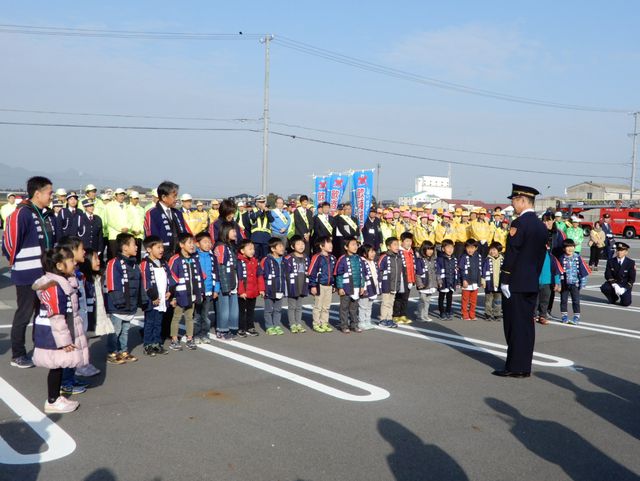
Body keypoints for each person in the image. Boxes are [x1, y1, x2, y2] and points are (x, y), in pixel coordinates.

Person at [495, 184, 548, 378]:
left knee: (514, 325)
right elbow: (541, 257)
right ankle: (524, 365)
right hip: (531, 282)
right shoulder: (541, 226)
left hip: (515, 283)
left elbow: (512, 253)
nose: (513, 204)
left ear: (523, 201)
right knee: (526, 325)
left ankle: (515, 366)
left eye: (514, 201)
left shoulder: (519, 224)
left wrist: (505, 278)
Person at [2, 176, 56, 368]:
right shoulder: (22, 214)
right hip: (27, 273)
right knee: (24, 314)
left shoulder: (47, 215)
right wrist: (16, 264)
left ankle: (40, 348)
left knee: (43, 313)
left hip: (45, 274)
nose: (52, 196)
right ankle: (18, 354)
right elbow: (9, 244)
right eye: (49, 192)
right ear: (37, 193)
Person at [32, 247, 89, 413]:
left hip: (57, 332)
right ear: (59, 266)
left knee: (58, 366)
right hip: (54, 334)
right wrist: (65, 341)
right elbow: (56, 316)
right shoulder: (55, 286)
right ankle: (52, 400)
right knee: (56, 366)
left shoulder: (61, 282)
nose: (74, 263)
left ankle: (55, 397)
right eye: (70, 261)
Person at [105, 232, 146, 364]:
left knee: (125, 330)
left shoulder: (134, 264)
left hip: (130, 304)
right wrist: (118, 301)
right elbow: (112, 284)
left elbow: (140, 284)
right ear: (124, 247)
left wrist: (142, 300)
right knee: (115, 331)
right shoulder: (114, 263)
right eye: (134, 244)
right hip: (118, 305)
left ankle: (123, 351)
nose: (137, 247)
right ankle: (112, 353)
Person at [168, 233, 204, 351]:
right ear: (181, 245)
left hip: (192, 294)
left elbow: (199, 275)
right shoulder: (175, 259)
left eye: (193, 243)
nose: (192, 245)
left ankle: (189, 338)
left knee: (189, 317)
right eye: (189, 243)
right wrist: (172, 297)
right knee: (177, 317)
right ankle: (174, 339)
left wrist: (200, 292)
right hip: (180, 295)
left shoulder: (195, 259)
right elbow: (171, 278)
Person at [140, 236, 172, 356]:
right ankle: (148, 344)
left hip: (163, 298)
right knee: (150, 322)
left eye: (162, 247)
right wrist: (153, 297)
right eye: (158, 247)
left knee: (158, 322)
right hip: (151, 299)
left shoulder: (163, 262)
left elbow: (170, 277)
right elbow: (145, 282)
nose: (161, 250)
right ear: (149, 249)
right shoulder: (145, 263)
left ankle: (156, 343)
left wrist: (170, 291)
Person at [144, 181, 191, 261]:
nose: (176, 199)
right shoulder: (152, 213)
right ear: (164, 197)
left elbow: (185, 233)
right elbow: (151, 237)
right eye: (174, 196)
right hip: (162, 257)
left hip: (179, 257)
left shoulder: (178, 213)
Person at [213, 222, 240, 339]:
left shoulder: (231, 246)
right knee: (224, 309)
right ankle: (222, 330)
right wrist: (225, 286)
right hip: (226, 282)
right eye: (233, 231)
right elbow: (221, 268)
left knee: (233, 308)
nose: (236, 233)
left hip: (233, 280)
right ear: (225, 232)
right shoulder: (221, 247)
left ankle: (231, 328)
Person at [556, 238, 590, 325]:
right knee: (563, 300)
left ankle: (576, 316)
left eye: (571, 246)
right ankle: (564, 315)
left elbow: (583, 271)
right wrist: (558, 283)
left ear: (574, 247)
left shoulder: (578, 258)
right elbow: (558, 272)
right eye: (567, 247)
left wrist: (582, 283)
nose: (570, 248)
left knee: (576, 300)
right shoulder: (561, 258)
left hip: (575, 283)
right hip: (564, 283)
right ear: (564, 249)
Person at [335, 236, 365, 333]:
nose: (355, 247)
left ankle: (354, 325)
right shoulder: (342, 259)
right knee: (344, 307)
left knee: (354, 308)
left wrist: (362, 286)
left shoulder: (359, 259)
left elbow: (362, 274)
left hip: (356, 287)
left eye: (356, 244)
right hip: (346, 287)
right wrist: (340, 287)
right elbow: (339, 274)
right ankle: (344, 325)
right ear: (346, 247)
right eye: (352, 245)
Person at [308, 236, 336, 333]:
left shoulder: (333, 258)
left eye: (331, 243)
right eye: (328, 243)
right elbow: (311, 272)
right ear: (321, 246)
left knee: (326, 306)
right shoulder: (317, 257)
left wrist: (333, 284)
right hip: (319, 285)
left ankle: (324, 323)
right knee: (318, 306)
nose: (331, 245)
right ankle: (316, 323)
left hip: (329, 285)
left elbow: (333, 273)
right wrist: (312, 285)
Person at [194, 232, 218, 342]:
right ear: (197, 244)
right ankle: (196, 335)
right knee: (197, 315)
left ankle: (204, 334)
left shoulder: (213, 257)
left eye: (210, 242)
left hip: (209, 290)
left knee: (205, 315)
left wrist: (216, 289)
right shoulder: (194, 257)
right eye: (205, 242)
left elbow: (216, 274)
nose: (208, 244)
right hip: (198, 291)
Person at [261, 237, 287, 335]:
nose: (282, 248)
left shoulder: (284, 260)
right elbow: (261, 275)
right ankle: (269, 326)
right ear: (273, 249)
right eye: (279, 246)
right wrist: (262, 289)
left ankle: (277, 325)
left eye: (282, 246)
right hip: (269, 289)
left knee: (278, 309)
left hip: (280, 289)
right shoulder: (266, 260)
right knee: (268, 310)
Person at [236, 239, 263, 337]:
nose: (252, 251)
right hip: (244, 292)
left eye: (253, 249)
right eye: (250, 249)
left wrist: (261, 289)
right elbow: (240, 278)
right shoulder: (240, 262)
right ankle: (241, 328)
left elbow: (259, 275)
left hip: (253, 291)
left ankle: (250, 326)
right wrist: (241, 291)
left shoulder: (255, 261)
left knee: (251, 310)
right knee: (242, 311)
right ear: (242, 251)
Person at [284, 235, 309, 333]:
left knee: (299, 306)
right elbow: (286, 273)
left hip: (302, 285)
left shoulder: (306, 257)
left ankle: (298, 323)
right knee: (292, 306)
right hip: (292, 286)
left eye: (302, 244)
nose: (301, 246)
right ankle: (292, 324)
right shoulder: (288, 258)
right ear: (292, 246)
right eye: (298, 244)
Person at [600, 241, 636, 307]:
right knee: (604, 287)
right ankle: (613, 298)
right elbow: (607, 274)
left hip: (624, 285)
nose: (619, 252)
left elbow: (632, 279)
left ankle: (623, 297)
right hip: (615, 283)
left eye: (622, 250)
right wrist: (614, 285)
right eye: (618, 250)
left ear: (626, 252)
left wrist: (624, 289)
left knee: (626, 303)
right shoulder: (610, 261)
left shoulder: (631, 263)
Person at [377, 237, 402, 328]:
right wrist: (380, 283)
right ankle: (383, 319)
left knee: (391, 302)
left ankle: (389, 318)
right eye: (394, 245)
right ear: (388, 246)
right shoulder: (384, 257)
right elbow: (379, 270)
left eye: (398, 244)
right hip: (386, 284)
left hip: (395, 284)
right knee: (385, 302)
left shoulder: (398, 257)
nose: (397, 247)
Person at [393, 232, 416, 324]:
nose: (409, 243)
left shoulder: (411, 251)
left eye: (410, 241)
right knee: (398, 298)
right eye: (406, 241)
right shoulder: (399, 252)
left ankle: (403, 314)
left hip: (410, 278)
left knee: (405, 298)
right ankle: (395, 315)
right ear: (401, 242)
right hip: (402, 279)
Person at [458, 238, 482, 321]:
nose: (470, 250)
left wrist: (480, 281)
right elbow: (461, 269)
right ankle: (465, 314)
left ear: (476, 248)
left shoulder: (478, 256)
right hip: (466, 282)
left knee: (473, 300)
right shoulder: (464, 257)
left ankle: (472, 314)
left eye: (472, 248)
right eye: (468, 248)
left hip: (475, 281)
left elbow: (480, 270)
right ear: (465, 248)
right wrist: (463, 280)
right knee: (465, 300)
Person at [105, 188, 132, 259]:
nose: (122, 197)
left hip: (125, 235)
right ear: (115, 196)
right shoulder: (110, 205)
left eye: (123, 195)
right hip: (114, 236)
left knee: (124, 256)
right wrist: (120, 229)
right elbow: (110, 220)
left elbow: (130, 218)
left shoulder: (126, 205)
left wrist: (128, 227)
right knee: (114, 256)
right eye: (120, 195)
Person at [358, 243, 380, 330]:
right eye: (371, 252)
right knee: (363, 306)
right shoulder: (362, 262)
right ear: (364, 253)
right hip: (365, 287)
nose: (373, 253)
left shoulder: (373, 262)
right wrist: (362, 286)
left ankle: (367, 321)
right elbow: (361, 275)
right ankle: (361, 322)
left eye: (373, 251)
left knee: (369, 305)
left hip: (373, 286)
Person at [415, 241, 437, 322]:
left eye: (431, 249)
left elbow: (435, 272)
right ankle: (420, 316)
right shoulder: (420, 260)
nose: (430, 251)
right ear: (423, 250)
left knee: (427, 301)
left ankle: (425, 315)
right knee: (422, 301)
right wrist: (419, 284)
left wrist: (438, 282)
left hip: (430, 284)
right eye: (428, 249)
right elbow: (418, 274)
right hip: (423, 284)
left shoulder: (433, 260)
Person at [436, 239, 458, 319]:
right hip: (443, 281)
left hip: (451, 281)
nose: (450, 250)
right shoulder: (439, 259)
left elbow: (456, 271)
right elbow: (437, 271)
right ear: (443, 249)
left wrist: (457, 282)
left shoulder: (454, 259)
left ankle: (448, 310)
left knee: (450, 296)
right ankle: (442, 311)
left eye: (452, 247)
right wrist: (439, 281)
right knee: (441, 296)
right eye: (448, 247)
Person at [482, 241, 504, 322]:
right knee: (488, 300)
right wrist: (483, 280)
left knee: (498, 301)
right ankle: (488, 314)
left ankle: (497, 314)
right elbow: (484, 271)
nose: (492, 251)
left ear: (499, 251)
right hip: (489, 283)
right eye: (491, 249)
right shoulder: (487, 260)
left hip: (498, 284)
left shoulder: (502, 259)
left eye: (494, 250)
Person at [249, 195, 272, 259]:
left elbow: (271, 220)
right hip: (256, 237)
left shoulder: (268, 211)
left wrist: (267, 212)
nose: (262, 203)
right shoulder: (253, 210)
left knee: (265, 257)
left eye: (263, 202)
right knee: (255, 256)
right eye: (260, 202)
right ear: (256, 203)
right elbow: (253, 217)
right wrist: (261, 210)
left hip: (266, 237)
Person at [127, 191, 145, 261]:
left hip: (139, 234)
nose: (136, 200)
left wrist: (140, 230)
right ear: (130, 199)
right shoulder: (127, 208)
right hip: (130, 234)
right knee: (130, 253)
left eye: (137, 198)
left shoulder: (141, 209)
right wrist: (131, 230)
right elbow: (126, 220)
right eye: (134, 198)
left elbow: (143, 222)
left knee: (138, 254)